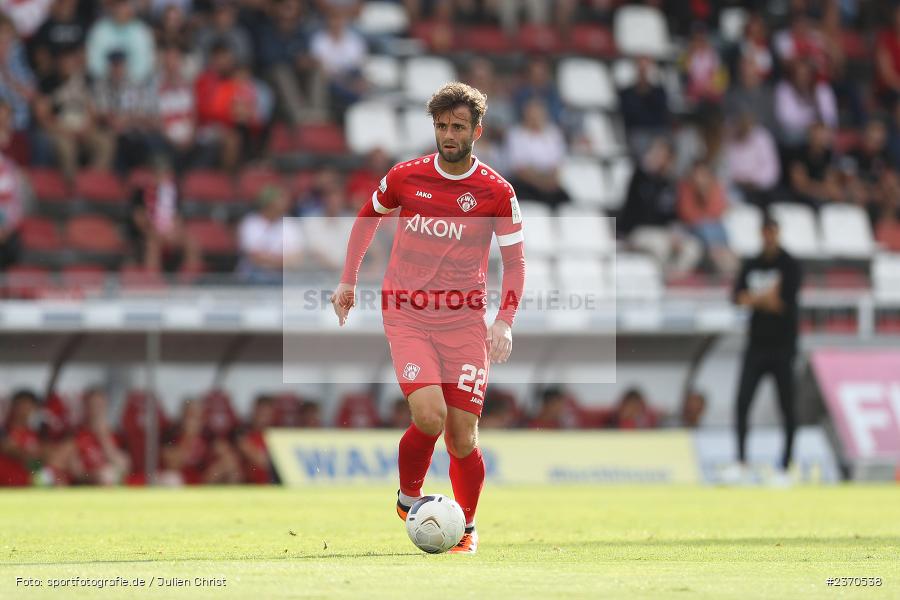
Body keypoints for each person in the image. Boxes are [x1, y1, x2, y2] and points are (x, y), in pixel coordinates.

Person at [331, 82, 525, 554]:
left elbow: (515, 262)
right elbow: (367, 218)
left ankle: (467, 528)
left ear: (477, 131)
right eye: (442, 126)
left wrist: (504, 320)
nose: (449, 135)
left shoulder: (497, 192)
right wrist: (348, 280)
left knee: (462, 438)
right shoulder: (405, 176)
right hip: (408, 314)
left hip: (465, 322)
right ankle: (409, 496)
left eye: (458, 127)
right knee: (430, 414)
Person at [730, 214, 802, 485]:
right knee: (742, 403)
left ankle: (785, 466)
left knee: (787, 407)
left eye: (773, 231)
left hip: (783, 347)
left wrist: (754, 299)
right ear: (761, 233)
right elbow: (737, 298)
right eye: (765, 232)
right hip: (756, 345)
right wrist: (765, 298)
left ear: (778, 233)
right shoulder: (751, 263)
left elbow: (781, 303)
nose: (769, 237)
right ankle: (740, 462)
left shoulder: (790, 264)